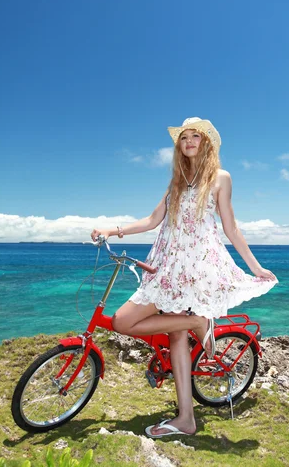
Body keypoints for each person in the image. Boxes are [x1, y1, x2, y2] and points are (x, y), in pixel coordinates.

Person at [91, 117, 278, 438]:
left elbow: (231, 228)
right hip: (166, 267)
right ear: (179, 146)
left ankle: (195, 324)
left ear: (206, 143)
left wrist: (256, 267)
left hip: (196, 269)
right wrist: (113, 229)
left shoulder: (221, 178)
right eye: (184, 137)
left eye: (196, 136)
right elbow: (151, 221)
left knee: (122, 321)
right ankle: (186, 419)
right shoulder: (177, 182)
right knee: (171, 334)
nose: (189, 141)